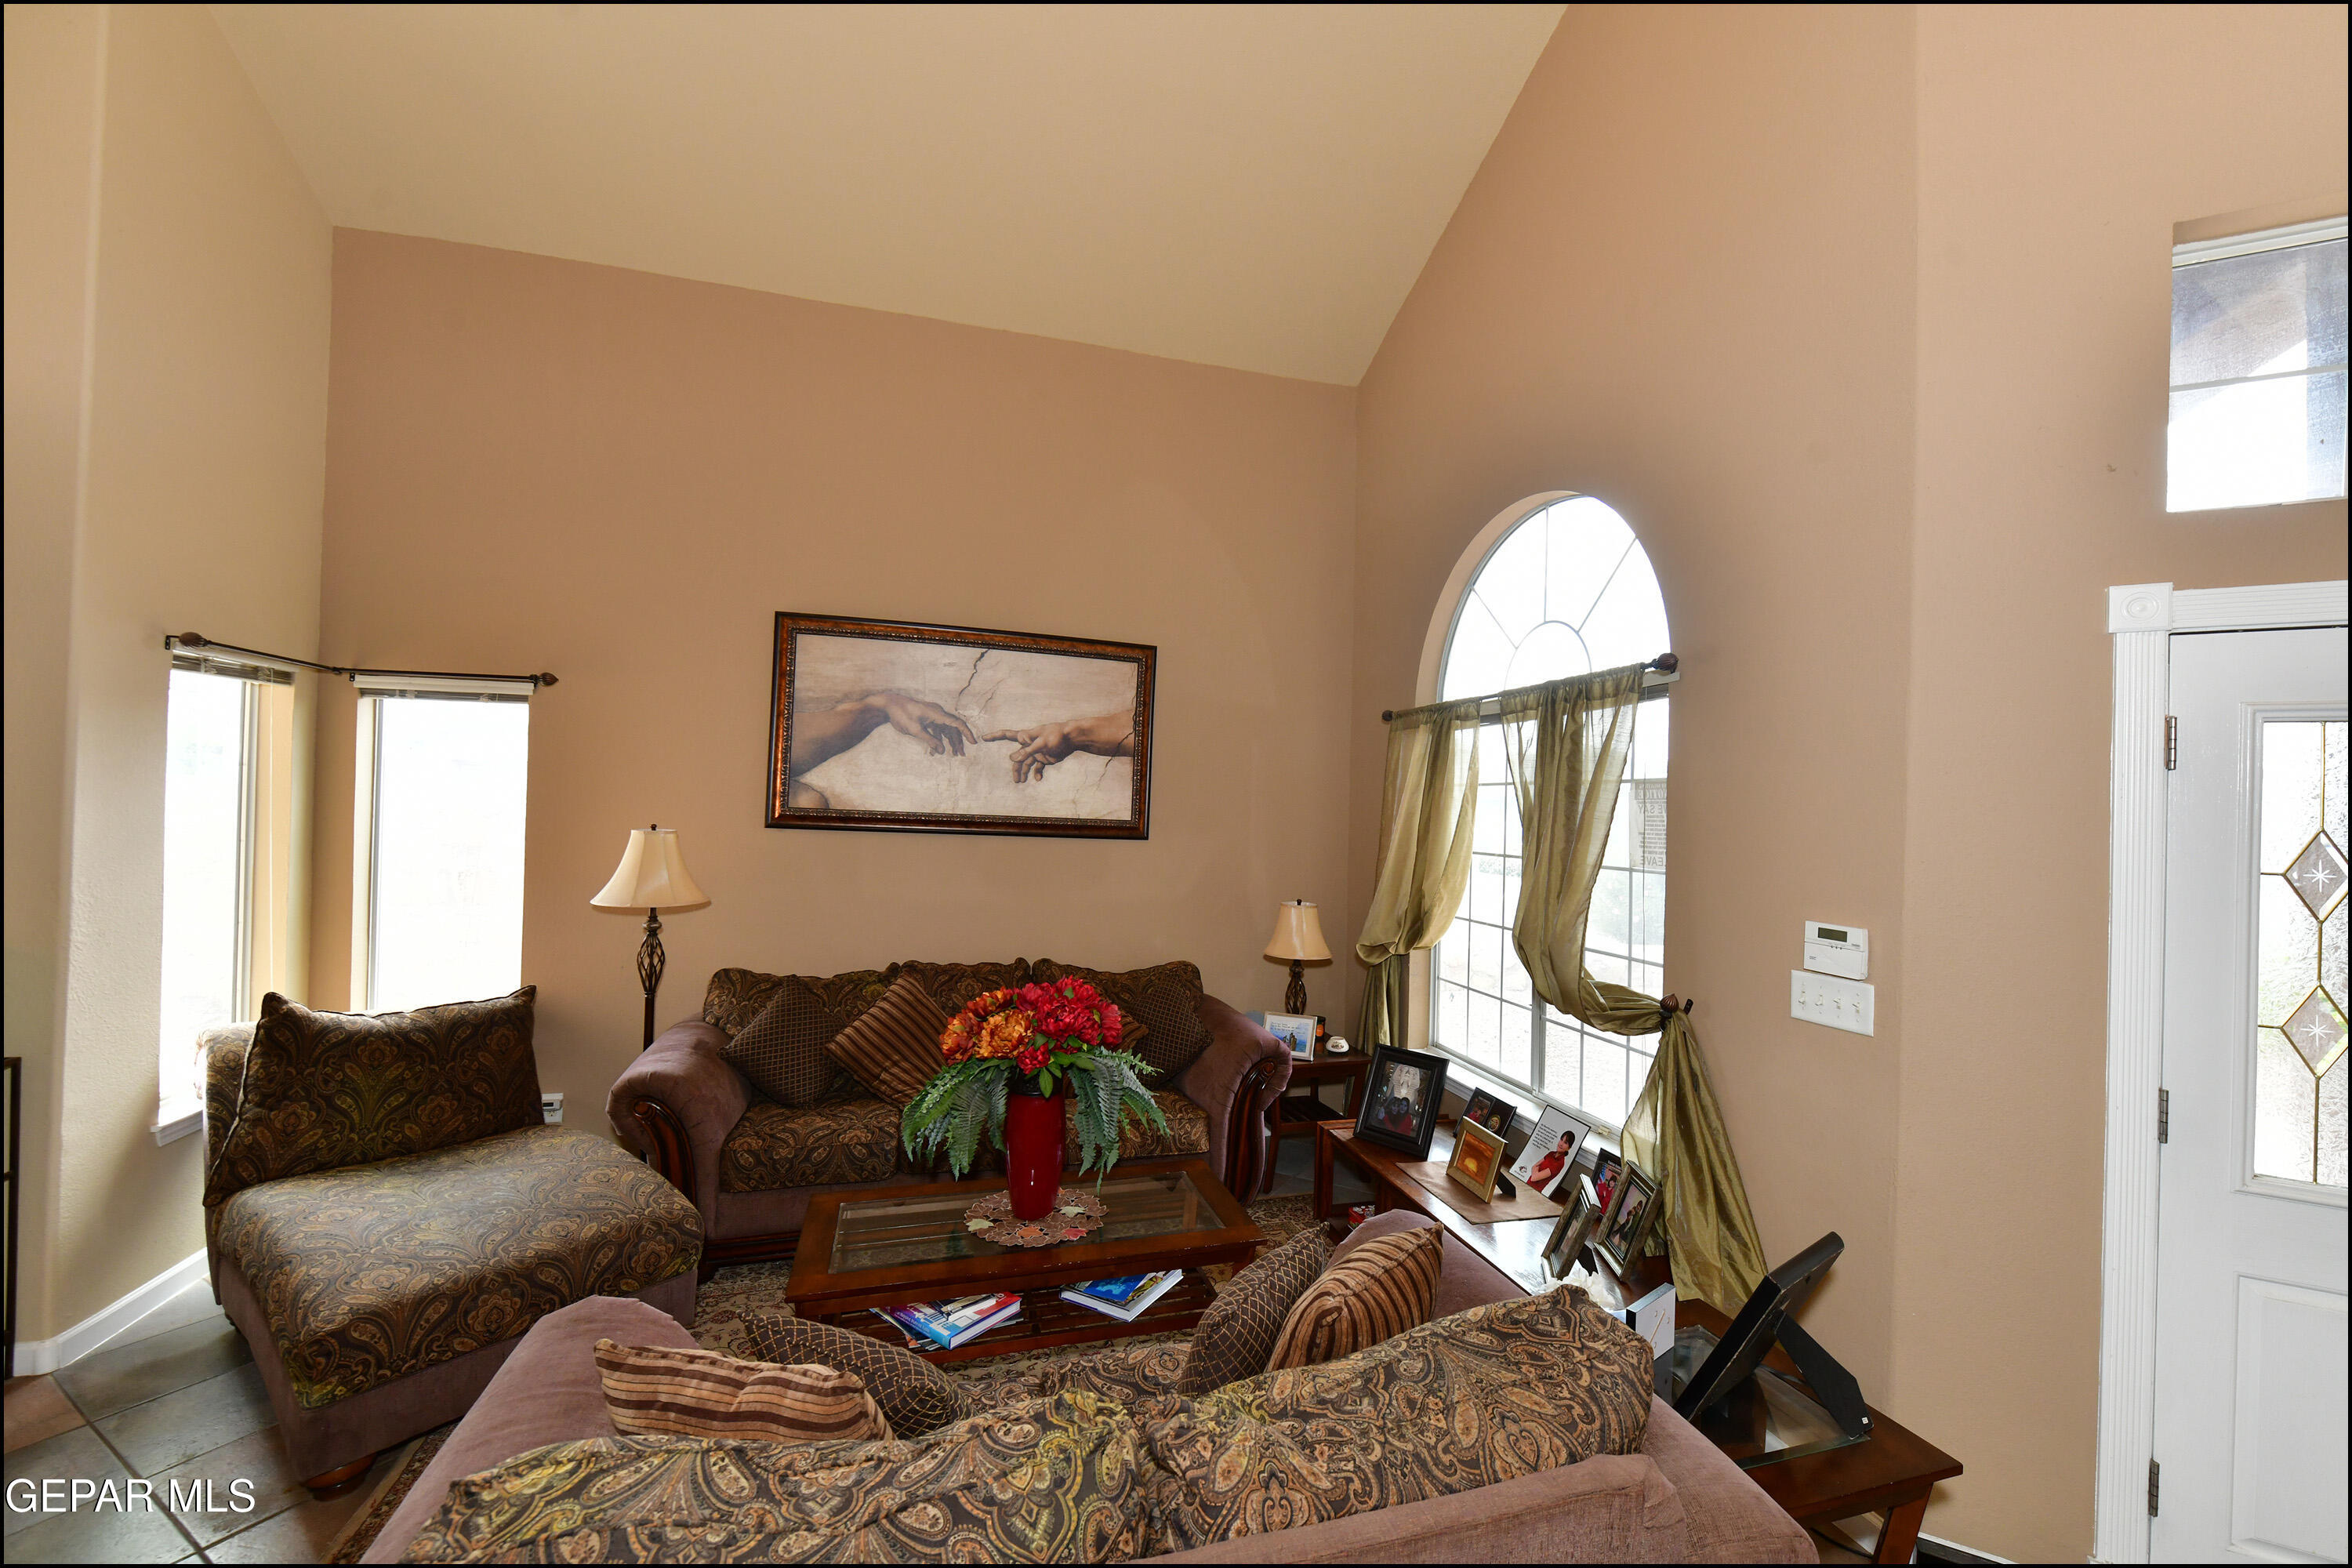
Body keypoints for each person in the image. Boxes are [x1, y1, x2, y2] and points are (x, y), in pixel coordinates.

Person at [1526, 1129, 1576, 1194]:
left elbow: (1534, 1178)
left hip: (1534, 1192)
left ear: (1569, 1148)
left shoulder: (1559, 1164)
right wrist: (1536, 1171)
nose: (1561, 1144)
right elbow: (1534, 1166)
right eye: (1561, 1139)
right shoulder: (1551, 1154)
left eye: (1565, 1143)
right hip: (1526, 1184)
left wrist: (1536, 1170)